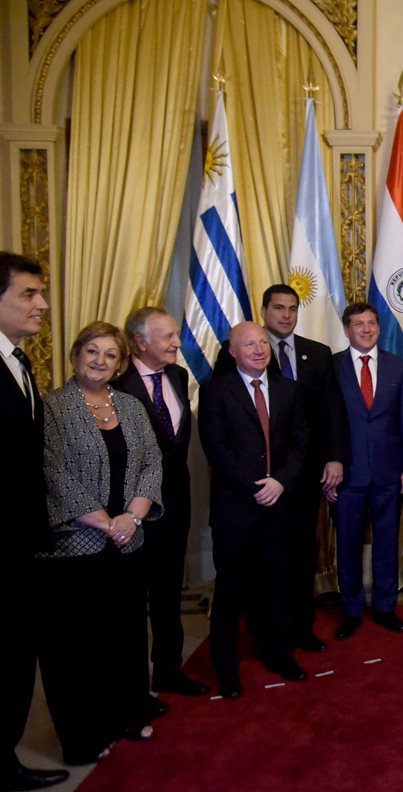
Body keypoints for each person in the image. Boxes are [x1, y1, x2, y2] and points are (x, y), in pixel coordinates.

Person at [38, 322, 162, 762]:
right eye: (92, 351)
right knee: (78, 647)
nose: (100, 361)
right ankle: (84, 736)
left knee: (124, 637)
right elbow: (52, 472)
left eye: (110, 355)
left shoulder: (131, 406)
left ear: (121, 363)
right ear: (76, 354)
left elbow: (152, 463)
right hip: (75, 546)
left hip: (127, 542)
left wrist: (133, 517)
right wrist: (105, 522)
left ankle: (127, 713)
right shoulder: (53, 407)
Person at [199, 321, 309, 698]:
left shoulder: (289, 389)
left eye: (264, 342)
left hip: (279, 505)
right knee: (230, 591)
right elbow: (216, 449)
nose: (260, 349)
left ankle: (279, 653)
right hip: (236, 509)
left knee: (277, 585)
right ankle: (226, 666)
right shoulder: (215, 391)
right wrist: (255, 487)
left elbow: (301, 444)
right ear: (233, 352)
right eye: (250, 344)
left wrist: (280, 481)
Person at [114, 308, 209, 696]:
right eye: (168, 336)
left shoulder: (178, 376)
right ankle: (132, 688)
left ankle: (169, 671)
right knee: (131, 602)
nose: (178, 343)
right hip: (131, 509)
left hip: (175, 504)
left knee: (168, 592)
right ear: (140, 342)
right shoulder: (117, 384)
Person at [0, 252, 68, 792]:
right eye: (28, 293)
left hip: (21, 543)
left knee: (16, 660)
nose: (42, 304)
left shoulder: (19, 362)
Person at [257, 285, 348, 653]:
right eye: (279, 308)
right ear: (263, 311)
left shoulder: (318, 353)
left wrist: (335, 456)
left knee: (303, 551)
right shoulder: (247, 349)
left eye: (292, 308)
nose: (286, 315)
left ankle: (301, 626)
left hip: (308, 472)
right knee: (269, 555)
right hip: (264, 475)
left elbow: (332, 411)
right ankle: (270, 631)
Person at [329, 302, 403, 639]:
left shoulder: (398, 366)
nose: (366, 330)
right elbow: (326, 421)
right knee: (348, 546)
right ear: (346, 330)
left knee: (387, 543)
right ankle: (351, 610)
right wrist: (330, 463)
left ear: (379, 328)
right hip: (347, 474)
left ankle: (385, 607)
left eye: (371, 323)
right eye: (359, 324)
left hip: (389, 473)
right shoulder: (332, 367)